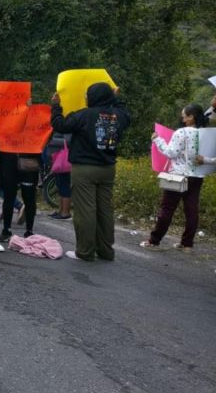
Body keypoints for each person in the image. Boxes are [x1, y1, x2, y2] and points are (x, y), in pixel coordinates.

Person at [51, 82, 131, 261]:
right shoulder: (119, 116)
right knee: (104, 210)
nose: (86, 97)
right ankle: (106, 251)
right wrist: (116, 99)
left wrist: (56, 106)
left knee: (85, 210)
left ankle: (85, 251)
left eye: (88, 94)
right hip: (108, 168)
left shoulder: (84, 115)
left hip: (84, 169)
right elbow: (126, 114)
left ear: (93, 97)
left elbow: (60, 125)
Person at [141, 103, 209, 250]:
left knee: (167, 209)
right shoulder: (204, 134)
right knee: (191, 210)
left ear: (191, 117)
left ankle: (154, 241)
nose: (182, 117)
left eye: (184, 115)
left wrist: (157, 140)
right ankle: (187, 244)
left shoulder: (181, 132)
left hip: (177, 175)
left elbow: (171, 153)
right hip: (196, 176)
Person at [0, 152, 38, 241]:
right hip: (11, 160)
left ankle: (29, 231)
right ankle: (7, 230)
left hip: (27, 161)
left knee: (29, 198)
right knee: (9, 198)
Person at [47, 133, 72, 220]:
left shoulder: (66, 128)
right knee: (60, 186)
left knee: (65, 186)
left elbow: (68, 141)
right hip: (57, 161)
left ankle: (65, 212)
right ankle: (61, 210)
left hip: (62, 161)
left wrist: (50, 140)